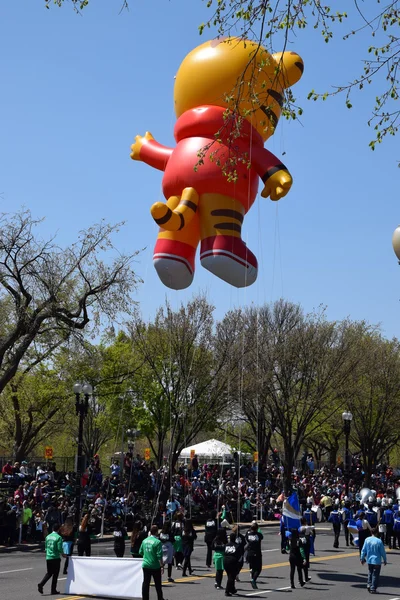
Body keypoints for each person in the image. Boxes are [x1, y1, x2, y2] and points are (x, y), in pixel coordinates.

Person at [38, 522, 66, 595]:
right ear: (58, 529)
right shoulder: (59, 537)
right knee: (55, 574)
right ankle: (53, 590)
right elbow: (59, 548)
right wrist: (63, 554)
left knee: (49, 573)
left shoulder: (48, 537)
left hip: (48, 557)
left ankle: (41, 584)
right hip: (55, 557)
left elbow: (46, 547)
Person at [139, 524, 165, 600]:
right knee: (158, 584)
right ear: (157, 532)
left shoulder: (144, 541)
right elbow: (159, 556)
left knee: (146, 583)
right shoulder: (157, 542)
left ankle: (145, 598)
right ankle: (160, 598)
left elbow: (140, 552)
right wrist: (162, 566)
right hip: (155, 565)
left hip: (146, 564)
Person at [360, 527, 387, 594]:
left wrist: (362, 558)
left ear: (371, 532)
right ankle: (373, 588)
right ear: (377, 533)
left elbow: (363, 550)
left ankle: (369, 584)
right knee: (375, 574)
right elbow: (382, 552)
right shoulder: (379, 541)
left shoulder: (367, 540)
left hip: (369, 560)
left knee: (370, 573)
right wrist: (385, 559)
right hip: (377, 561)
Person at [245, 521, 263, 589]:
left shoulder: (248, 535)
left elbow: (246, 539)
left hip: (250, 553)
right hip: (257, 553)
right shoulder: (258, 535)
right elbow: (261, 537)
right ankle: (253, 579)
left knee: (252, 567)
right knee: (258, 568)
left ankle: (252, 578)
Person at [223, 532, 240, 597]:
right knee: (231, 577)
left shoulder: (226, 545)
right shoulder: (237, 546)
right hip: (232, 561)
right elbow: (239, 555)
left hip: (225, 561)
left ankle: (232, 589)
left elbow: (224, 552)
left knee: (230, 576)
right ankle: (227, 591)